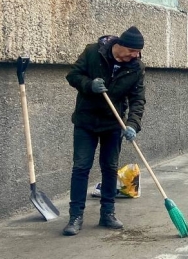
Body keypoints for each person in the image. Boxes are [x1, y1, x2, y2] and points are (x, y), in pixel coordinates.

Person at [62, 27, 146, 236]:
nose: (136, 56)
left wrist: (132, 125)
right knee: (81, 167)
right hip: (86, 121)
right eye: (133, 52)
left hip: (112, 123)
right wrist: (89, 85)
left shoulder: (136, 67)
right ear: (121, 47)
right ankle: (75, 216)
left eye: (138, 53)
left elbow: (138, 99)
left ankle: (107, 213)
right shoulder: (93, 52)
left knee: (110, 168)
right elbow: (73, 75)